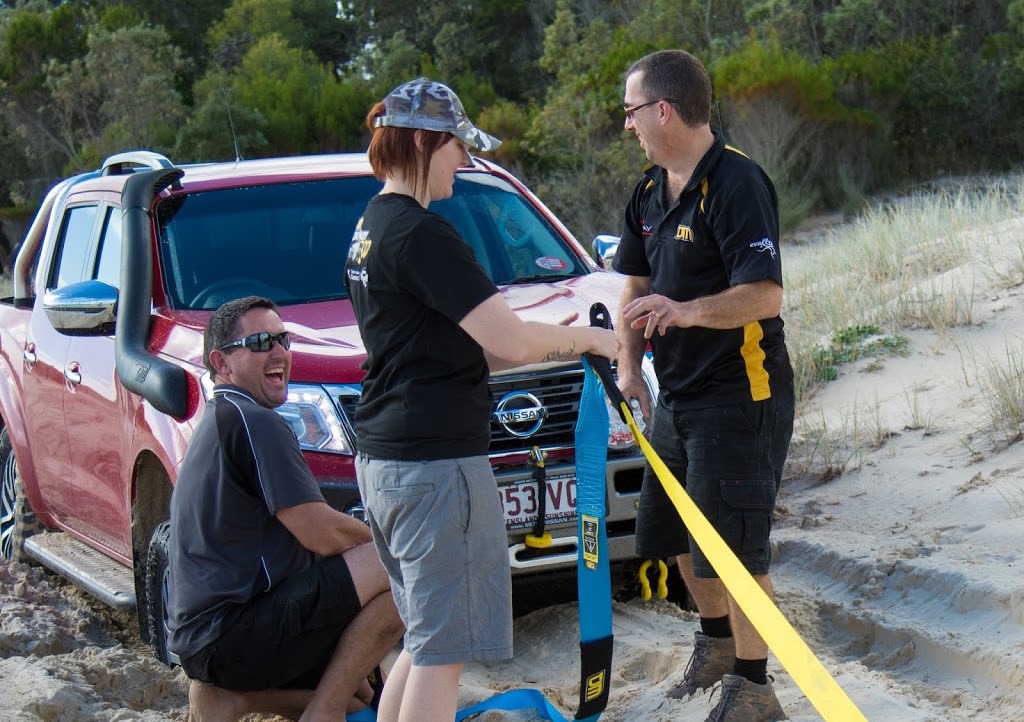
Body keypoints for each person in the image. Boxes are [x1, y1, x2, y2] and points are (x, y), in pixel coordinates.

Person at [344, 77, 619, 722]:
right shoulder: (420, 234)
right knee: (446, 648)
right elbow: (513, 340)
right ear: (421, 141)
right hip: (434, 465)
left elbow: (478, 348)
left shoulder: (370, 227)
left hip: (389, 458)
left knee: (424, 636)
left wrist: (565, 346)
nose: (466, 163)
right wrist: (594, 340)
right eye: (456, 148)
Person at [612, 50, 795, 722]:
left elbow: (765, 295)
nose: (626, 124)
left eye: (630, 111)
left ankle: (754, 686)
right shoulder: (647, 191)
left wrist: (684, 310)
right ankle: (717, 647)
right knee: (675, 537)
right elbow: (633, 285)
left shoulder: (737, 183)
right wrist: (631, 366)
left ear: (663, 110)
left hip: (740, 395)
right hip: (676, 396)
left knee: (737, 552)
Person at [167, 295, 404, 722]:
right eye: (260, 342)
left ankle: (236, 702)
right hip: (232, 635)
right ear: (221, 363)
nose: (279, 352)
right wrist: (383, 544)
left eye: (283, 339)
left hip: (205, 641)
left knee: (359, 696)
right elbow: (322, 534)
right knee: (405, 566)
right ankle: (323, 712)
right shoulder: (254, 421)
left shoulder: (219, 418)